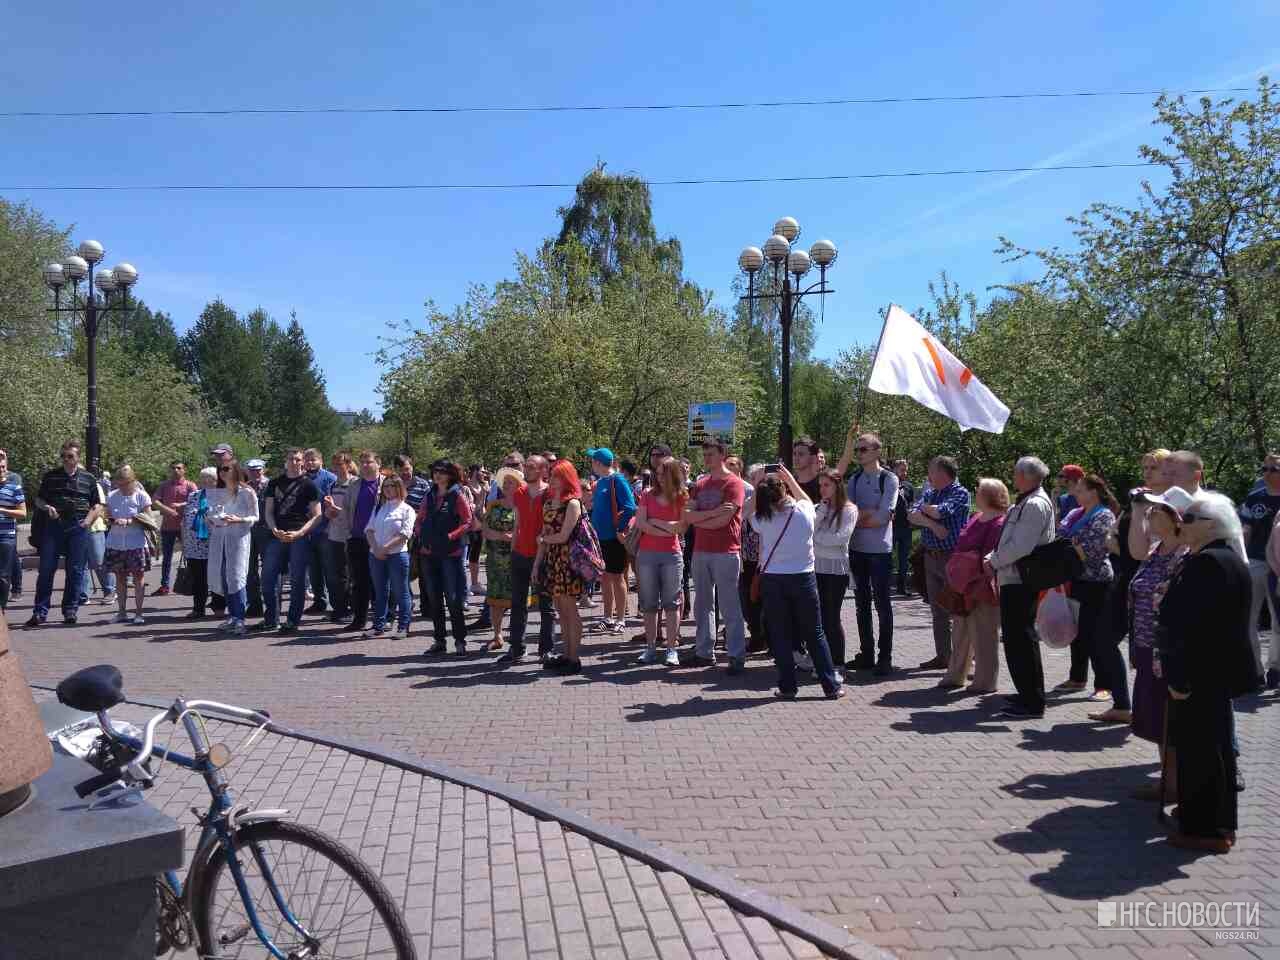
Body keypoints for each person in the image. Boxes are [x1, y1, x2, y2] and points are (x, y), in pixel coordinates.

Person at [1159, 492, 1258, 853]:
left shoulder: (1210, 563)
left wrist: (1179, 676)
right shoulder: (1219, 559)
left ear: (1212, 526)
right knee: (1209, 748)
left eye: (1190, 519)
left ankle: (1207, 828)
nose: (1181, 524)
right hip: (1211, 671)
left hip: (1202, 672)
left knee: (1203, 751)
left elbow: (1192, 627)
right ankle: (1209, 820)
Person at [748, 466, 845, 701]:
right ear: (784, 490)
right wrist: (788, 477)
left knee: (781, 635)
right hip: (803, 578)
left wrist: (758, 482)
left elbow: (745, 511)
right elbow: (805, 498)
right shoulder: (803, 511)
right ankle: (830, 685)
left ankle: (787, 686)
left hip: (773, 579)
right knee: (815, 633)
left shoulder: (762, 518)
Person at [1125, 485, 1193, 801]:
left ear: (1176, 517)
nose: (1151, 513)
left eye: (1157, 509)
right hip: (1145, 644)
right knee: (1155, 716)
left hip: (1165, 649)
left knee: (1171, 717)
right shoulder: (1157, 548)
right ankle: (1167, 778)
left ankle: (1176, 783)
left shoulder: (1186, 554)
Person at [987, 457, 1057, 719]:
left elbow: (1021, 546)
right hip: (1013, 578)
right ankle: (1026, 692)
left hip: (1020, 580)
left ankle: (1032, 701)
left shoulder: (1035, 504)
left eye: (1016, 472)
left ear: (1026, 476)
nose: (1013, 476)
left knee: (1021, 640)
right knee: (1017, 640)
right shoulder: (1027, 500)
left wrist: (993, 561)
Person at [1053, 475, 1126, 717]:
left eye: (1081, 490)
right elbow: (1061, 534)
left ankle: (1103, 685)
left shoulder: (1103, 514)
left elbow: (1095, 549)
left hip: (1097, 581)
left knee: (1096, 633)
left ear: (1094, 492)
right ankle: (1077, 678)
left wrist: (1073, 546)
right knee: (1078, 630)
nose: (1075, 493)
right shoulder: (1078, 513)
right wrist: (1072, 545)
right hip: (1077, 578)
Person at [684, 438, 748, 673]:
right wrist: (709, 516)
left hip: (726, 552)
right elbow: (687, 516)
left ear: (722, 454)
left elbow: (725, 520)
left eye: (711, 454)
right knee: (703, 604)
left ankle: (736, 655)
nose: (706, 458)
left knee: (730, 606)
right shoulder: (700, 484)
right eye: (705, 454)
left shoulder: (734, 484)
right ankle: (703, 651)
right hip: (701, 551)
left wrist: (701, 517)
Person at [939, 479, 1007, 692]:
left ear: (989, 495)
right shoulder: (976, 517)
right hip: (962, 583)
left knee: (984, 636)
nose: (975, 493)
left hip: (982, 585)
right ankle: (955, 675)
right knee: (960, 632)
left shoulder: (999, 522)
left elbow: (991, 555)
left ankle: (985, 682)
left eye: (978, 490)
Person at [27, 440, 104, 627]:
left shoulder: (88, 478)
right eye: (64, 456)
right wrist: (47, 507)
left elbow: (97, 505)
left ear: (77, 457)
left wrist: (87, 521)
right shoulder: (51, 477)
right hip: (54, 525)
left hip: (78, 525)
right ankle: (40, 612)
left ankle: (70, 610)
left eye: (70, 456)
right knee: (46, 569)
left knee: (76, 570)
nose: (66, 459)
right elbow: (38, 500)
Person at [842, 430, 899, 676]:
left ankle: (884, 657)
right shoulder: (853, 480)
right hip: (857, 550)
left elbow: (885, 515)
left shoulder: (889, 479)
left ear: (877, 451)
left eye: (863, 449)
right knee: (861, 605)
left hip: (879, 551)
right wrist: (868, 514)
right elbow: (849, 513)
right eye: (857, 449)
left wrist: (862, 516)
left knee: (882, 604)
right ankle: (866, 654)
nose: (859, 453)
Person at [910, 456, 972, 671]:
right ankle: (943, 656)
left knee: (957, 609)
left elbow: (939, 511)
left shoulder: (960, 493)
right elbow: (912, 515)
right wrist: (933, 525)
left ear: (943, 473)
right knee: (938, 610)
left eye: (931, 470)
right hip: (931, 556)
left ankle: (964, 659)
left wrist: (927, 514)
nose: (928, 475)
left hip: (952, 558)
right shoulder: (930, 492)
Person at [255, 449, 323, 635]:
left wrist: (300, 533)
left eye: (297, 459)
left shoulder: (309, 485)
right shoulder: (274, 483)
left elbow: (317, 515)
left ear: (302, 462)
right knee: (268, 578)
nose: (294, 462)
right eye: (290, 458)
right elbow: (268, 510)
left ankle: (292, 621)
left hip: (299, 536)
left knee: (297, 580)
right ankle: (271, 619)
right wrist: (273, 528)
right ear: (285, 461)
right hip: (276, 535)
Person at [499, 454, 554, 665]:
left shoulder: (549, 493)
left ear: (542, 470)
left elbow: (548, 529)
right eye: (527, 466)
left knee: (546, 605)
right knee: (518, 603)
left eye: (531, 467)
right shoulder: (520, 493)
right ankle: (516, 648)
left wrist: (541, 557)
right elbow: (517, 523)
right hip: (520, 553)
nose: (526, 470)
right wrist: (513, 551)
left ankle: (546, 650)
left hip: (543, 555)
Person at [634, 457, 688, 666]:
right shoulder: (647, 495)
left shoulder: (682, 496)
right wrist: (667, 526)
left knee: (672, 603)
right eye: (657, 474)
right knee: (648, 603)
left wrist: (656, 523)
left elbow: (682, 528)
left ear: (673, 474)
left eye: (664, 473)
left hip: (672, 555)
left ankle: (671, 649)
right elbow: (641, 524)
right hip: (647, 554)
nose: (660, 477)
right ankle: (650, 648)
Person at [535, 460, 587, 675]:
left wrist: (544, 540)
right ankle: (566, 654)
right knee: (561, 610)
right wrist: (537, 564)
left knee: (569, 610)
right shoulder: (548, 503)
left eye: (556, 476)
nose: (552, 480)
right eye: (552, 475)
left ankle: (574, 658)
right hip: (552, 560)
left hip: (568, 561)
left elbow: (563, 535)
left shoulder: (573, 503)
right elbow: (546, 536)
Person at [419, 460, 472, 655]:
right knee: (434, 599)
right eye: (435, 472)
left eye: (442, 472)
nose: (438, 475)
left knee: (453, 598)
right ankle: (439, 640)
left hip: (451, 554)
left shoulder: (457, 494)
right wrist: (419, 532)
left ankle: (460, 641)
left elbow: (467, 522)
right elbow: (420, 518)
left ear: (450, 474)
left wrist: (451, 536)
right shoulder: (430, 495)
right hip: (428, 553)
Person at [1239, 452, 1280, 688]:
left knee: (1277, 621)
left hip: (1279, 567)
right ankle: (1255, 671)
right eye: (1264, 469)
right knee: (1248, 619)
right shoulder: (1255, 497)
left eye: (1272, 469)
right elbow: (1245, 528)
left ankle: (1275, 667)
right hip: (1255, 562)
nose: (1266, 473)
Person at [587, 447, 636, 636]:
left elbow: (630, 506)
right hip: (600, 539)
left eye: (593, 461)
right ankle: (607, 618)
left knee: (617, 577)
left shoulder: (618, 480)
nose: (591, 464)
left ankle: (621, 619)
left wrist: (619, 529)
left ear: (598, 463)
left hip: (614, 539)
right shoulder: (600, 482)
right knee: (605, 577)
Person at [813, 469, 857, 672]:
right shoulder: (821, 507)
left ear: (837, 486)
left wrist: (818, 539)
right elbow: (809, 529)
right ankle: (822, 661)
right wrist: (821, 512)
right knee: (818, 617)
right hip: (816, 567)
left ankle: (838, 662)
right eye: (820, 485)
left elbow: (841, 538)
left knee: (831, 616)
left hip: (836, 569)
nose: (822, 489)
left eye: (826, 485)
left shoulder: (849, 510)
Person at [208, 459, 258, 635]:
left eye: (226, 469)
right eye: (220, 469)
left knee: (237, 577)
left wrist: (239, 519)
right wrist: (212, 519)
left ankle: (240, 619)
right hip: (220, 539)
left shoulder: (246, 492)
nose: (222, 472)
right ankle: (232, 616)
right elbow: (213, 512)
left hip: (238, 539)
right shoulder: (218, 493)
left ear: (236, 470)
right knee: (224, 577)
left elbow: (255, 517)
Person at [365, 474, 415, 637]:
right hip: (375, 555)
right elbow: (369, 530)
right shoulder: (379, 507)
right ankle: (378, 625)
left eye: (391, 486)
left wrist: (384, 549)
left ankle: (403, 626)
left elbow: (404, 534)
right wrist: (375, 548)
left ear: (399, 488)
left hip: (396, 555)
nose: (387, 489)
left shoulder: (407, 510)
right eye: (385, 486)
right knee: (380, 592)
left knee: (401, 592)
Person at [102, 465, 151, 625]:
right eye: (120, 483)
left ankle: (138, 613)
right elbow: (106, 515)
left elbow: (149, 518)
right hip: (116, 543)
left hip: (136, 542)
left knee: (138, 577)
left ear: (133, 481)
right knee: (120, 578)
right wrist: (112, 520)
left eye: (126, 483)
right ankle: (121, 612)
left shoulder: (142, 496)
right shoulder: (111, 496)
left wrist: (131, 520)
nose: (122, 486)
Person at [343, 451, 384, 632]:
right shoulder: (354, 485)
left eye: (369, 462)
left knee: (381, 581)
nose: (365, 465)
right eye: (363, 463)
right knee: (359, 582)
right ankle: (359, 619)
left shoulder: (386, 484)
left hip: (380, 539)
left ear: (378, 464)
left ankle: (383, 619)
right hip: (357, 538)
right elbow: (346, 509)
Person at [482, 467, 521, 651]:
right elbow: (485, 530)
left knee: (518, 600)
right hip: (495, 561)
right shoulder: (494, 505)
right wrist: (503, 536)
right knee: (495, 599)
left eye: (510, 482)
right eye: (504, 482)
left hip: (517, 559)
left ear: (519, 485)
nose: (506, 485)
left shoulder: (523, 506)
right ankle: (497, 635)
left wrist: (513, 537)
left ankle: (517, 637)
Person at [301, 448, 337, 615]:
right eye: (307, 460)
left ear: (321, 461)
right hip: (307, 532)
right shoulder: (301, 479)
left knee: (330, 569)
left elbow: (334, 504)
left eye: (313, 459)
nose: (310, 463)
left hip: (326, 531)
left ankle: (338, 604)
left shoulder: (330, 479)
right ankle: (319, 601)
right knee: (314, 570)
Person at [151, 461, 195, 596]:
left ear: (184, 470)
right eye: (173, 468)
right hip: (168, 527)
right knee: (167, 558)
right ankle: (164, 585)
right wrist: (168, 510)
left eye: (179, 468)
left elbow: (197, 501)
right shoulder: (164, 485)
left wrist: (181, 505)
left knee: (191, 556)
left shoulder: (190, 485)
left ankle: (193, 583)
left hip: (186, 526)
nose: (176, 470)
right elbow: (155, 501)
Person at [395, 455, 431, 617]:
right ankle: (407, 602)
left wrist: (413, 516)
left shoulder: (423, 485)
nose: (405, 473)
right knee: (403, 571)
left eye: (408, 469)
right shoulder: (393, 485)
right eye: (402, 470)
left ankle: (427, 606)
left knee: (424, 571)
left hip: (419, 533)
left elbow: (429, 508)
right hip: (399, 534)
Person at [180, 467, 218, 620]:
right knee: (198, 579)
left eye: (210, 478)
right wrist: (183, 542)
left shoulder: (221, 496)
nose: (206, 481)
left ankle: (219, 607)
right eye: (203, 478)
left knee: (216, 577)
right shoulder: (193, 496)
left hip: (215, 542)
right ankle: (198, 608)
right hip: (194, 544)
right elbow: (185, 519)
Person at [320, 452, 354, 624]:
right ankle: (339, 608)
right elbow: (329, 509)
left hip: (350, 534)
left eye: (340, 464)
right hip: (334, 533)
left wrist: (335, 509)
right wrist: (329, 510)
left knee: (349, 574)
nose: (336, 467)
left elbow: (355, 513)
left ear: (348, 465)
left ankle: (350, 609)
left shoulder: (355, 484)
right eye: (334, 464)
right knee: (335, 574)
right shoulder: (333, 484)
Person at [739, 464, 768, 653]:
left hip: (767, 561)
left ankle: (768, 638)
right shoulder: (749, 499)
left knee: (767, 603)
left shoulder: (777, 500)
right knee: (747, 601)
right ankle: (756, 635)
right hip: (747, 559)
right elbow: (743, 515)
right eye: (759, 478)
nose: (764, 481)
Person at [81, 474, 116, 607]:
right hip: (77, 530)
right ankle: (83, 595)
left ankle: (110, 591)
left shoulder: (94, 485)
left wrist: (87, 523)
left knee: (99, 562)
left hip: (94, 529)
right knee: (81, 564)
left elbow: (99, 507)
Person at [243, 459, 270, 618]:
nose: (255, 473)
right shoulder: (244, 488)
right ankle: (255, 605)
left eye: (258, 470)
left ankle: (272, 606)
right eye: (252, 470)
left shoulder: (271, 485)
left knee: (270, 570)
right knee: (249, 570)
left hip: (267, 531)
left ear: (263, 470)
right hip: (248, 531)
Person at [0, 448, 26, 611]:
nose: (2, 470)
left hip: (6, 536)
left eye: (3, 466)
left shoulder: (14, 486)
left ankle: (1, 607)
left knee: (3, 575)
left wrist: (3, 510)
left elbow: (23, 512)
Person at [891, 460, 916, 596]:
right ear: (894, 469)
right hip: (891, 527)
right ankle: (884, 586)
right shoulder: (888, 485)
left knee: (903, 559)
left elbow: (912, 504)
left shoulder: (909, 487)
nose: (904, 473)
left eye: (906, 470)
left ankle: (902, 586)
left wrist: (912, 515)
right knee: (887, 558)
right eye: (901, 470)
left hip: (906, 527)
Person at [791, 437, 823, 502]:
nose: (796, 458)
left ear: (813, 458)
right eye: (794, 454)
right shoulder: (787, 483)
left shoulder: (822, 484)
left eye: (801, 454)